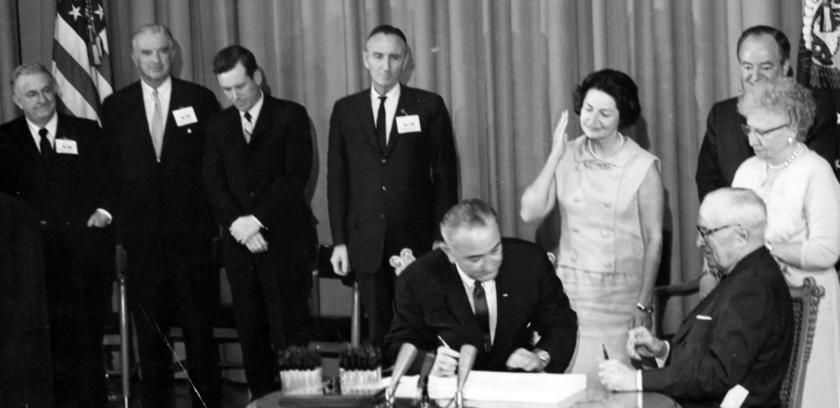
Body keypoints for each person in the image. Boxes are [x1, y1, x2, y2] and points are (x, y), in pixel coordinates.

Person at [101, 24, 221, 408]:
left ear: (174, 53)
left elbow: (214, 169)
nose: (156, 59)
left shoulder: (200, 100)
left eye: (163, 51)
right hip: (142, 243)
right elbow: (112, 173)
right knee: (150, 340)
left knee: (200, 336)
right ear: (134, 57)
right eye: (148, 53)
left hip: (193, 241)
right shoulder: (115, 106)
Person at [519, 69, 663, 379]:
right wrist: (555, 155)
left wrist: (643, 303)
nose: (593, 119)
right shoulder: (567, 154)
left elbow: (654, 241)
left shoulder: (642, 166)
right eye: (588, 109)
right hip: (571, 291)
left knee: (611, 385)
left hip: (620, 297)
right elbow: (529, 212)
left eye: (605, 113)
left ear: (622, 117)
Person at [599, 187, 794, 408]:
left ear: (741, 235)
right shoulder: (745, 275)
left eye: (706, 232)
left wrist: (635, 380)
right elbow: (715, 357)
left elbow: (715, 375)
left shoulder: (753, 288)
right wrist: (662, 349)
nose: (698, 242)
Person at [327, 24, 458, 346]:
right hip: (366, 242)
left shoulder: (428, 106)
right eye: (378, 56)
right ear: (365, 59)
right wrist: (340, 241)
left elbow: (445, 176)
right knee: (378, 333)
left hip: (416, 240)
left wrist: (442, 237)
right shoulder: (346, 110)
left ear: (406, 61)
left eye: (394, 57)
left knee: (418, 327)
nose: (386, 66)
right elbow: (337, 180)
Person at [203, 45, 317, 401]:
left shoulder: (291, 115)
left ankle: (300, 403)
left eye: (241, 86)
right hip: (240, 246)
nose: (235, 96)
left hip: (285, 243)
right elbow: (213, 183)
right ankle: (261, 400)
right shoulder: (218, 125)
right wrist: (240, 225)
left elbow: (293, 177)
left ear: (257, 76)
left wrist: (256, 221)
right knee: (251, 332)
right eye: (227, 89)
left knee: (290, 333)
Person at [0, 63, 113, 407]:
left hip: (83, 259)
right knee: (39, 348)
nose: (41, 99)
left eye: (47, 90)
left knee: (85, 344)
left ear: (57, 91)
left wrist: (105, 212)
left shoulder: (88, 131)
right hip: (29, 267)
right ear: (18, 100)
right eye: (31, 94)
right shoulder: (3, 140)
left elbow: (113, 181)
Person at [731, 77, 840, 408]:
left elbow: (827, 250)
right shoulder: (747, 170)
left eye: (763, 132)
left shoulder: (815, 171)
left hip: (808, 303)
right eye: (749, 130)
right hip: (757, 304)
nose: (753, 140)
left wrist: (764, 253)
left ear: (793, 125)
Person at [385, 199, 577, 375]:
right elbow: (397, 345)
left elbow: (561, 323)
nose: (489, 264)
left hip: (516, 388)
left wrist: (541, 357)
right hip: (450, 390)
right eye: (475, 258)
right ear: (449, 252)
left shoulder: (530, 262)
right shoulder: (418, 278)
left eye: (495, 250)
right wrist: (430, 362)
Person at [696, 25, 839, 202]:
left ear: (785, 67)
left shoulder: (814, 110)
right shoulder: (721, 117)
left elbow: (815, 187)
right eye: (747, 67)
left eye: (765, 67)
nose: (755, 76)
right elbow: (708, 185)